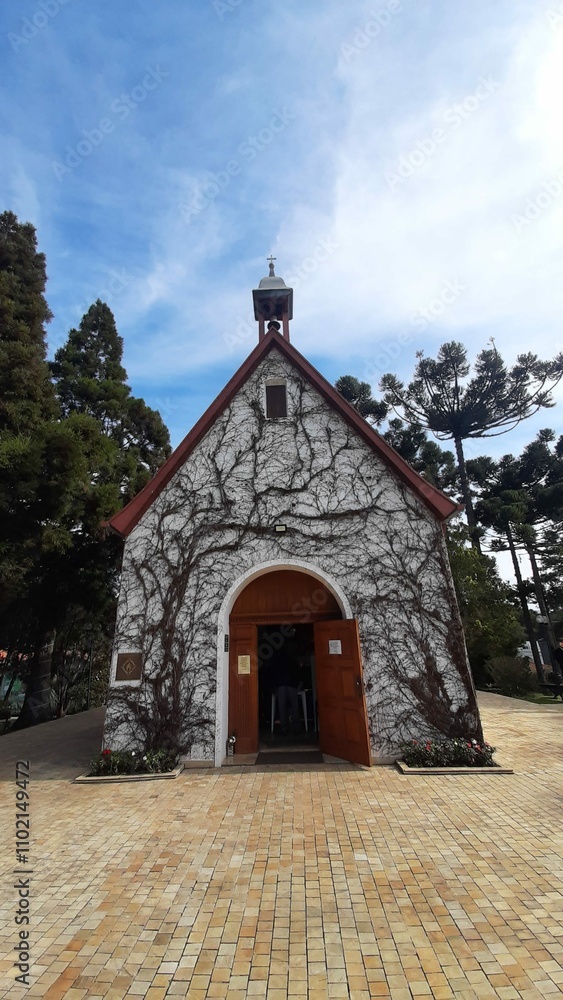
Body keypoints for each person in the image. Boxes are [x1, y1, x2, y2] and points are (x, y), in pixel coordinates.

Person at [270, 649, 300, 735]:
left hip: (281, 685)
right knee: (294, 706)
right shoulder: (293, 662)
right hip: (291, 684)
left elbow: (273, 674)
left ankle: (284, 728)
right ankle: (296, 727)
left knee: (282, 707)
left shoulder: (276, 662)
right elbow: (297, 673)